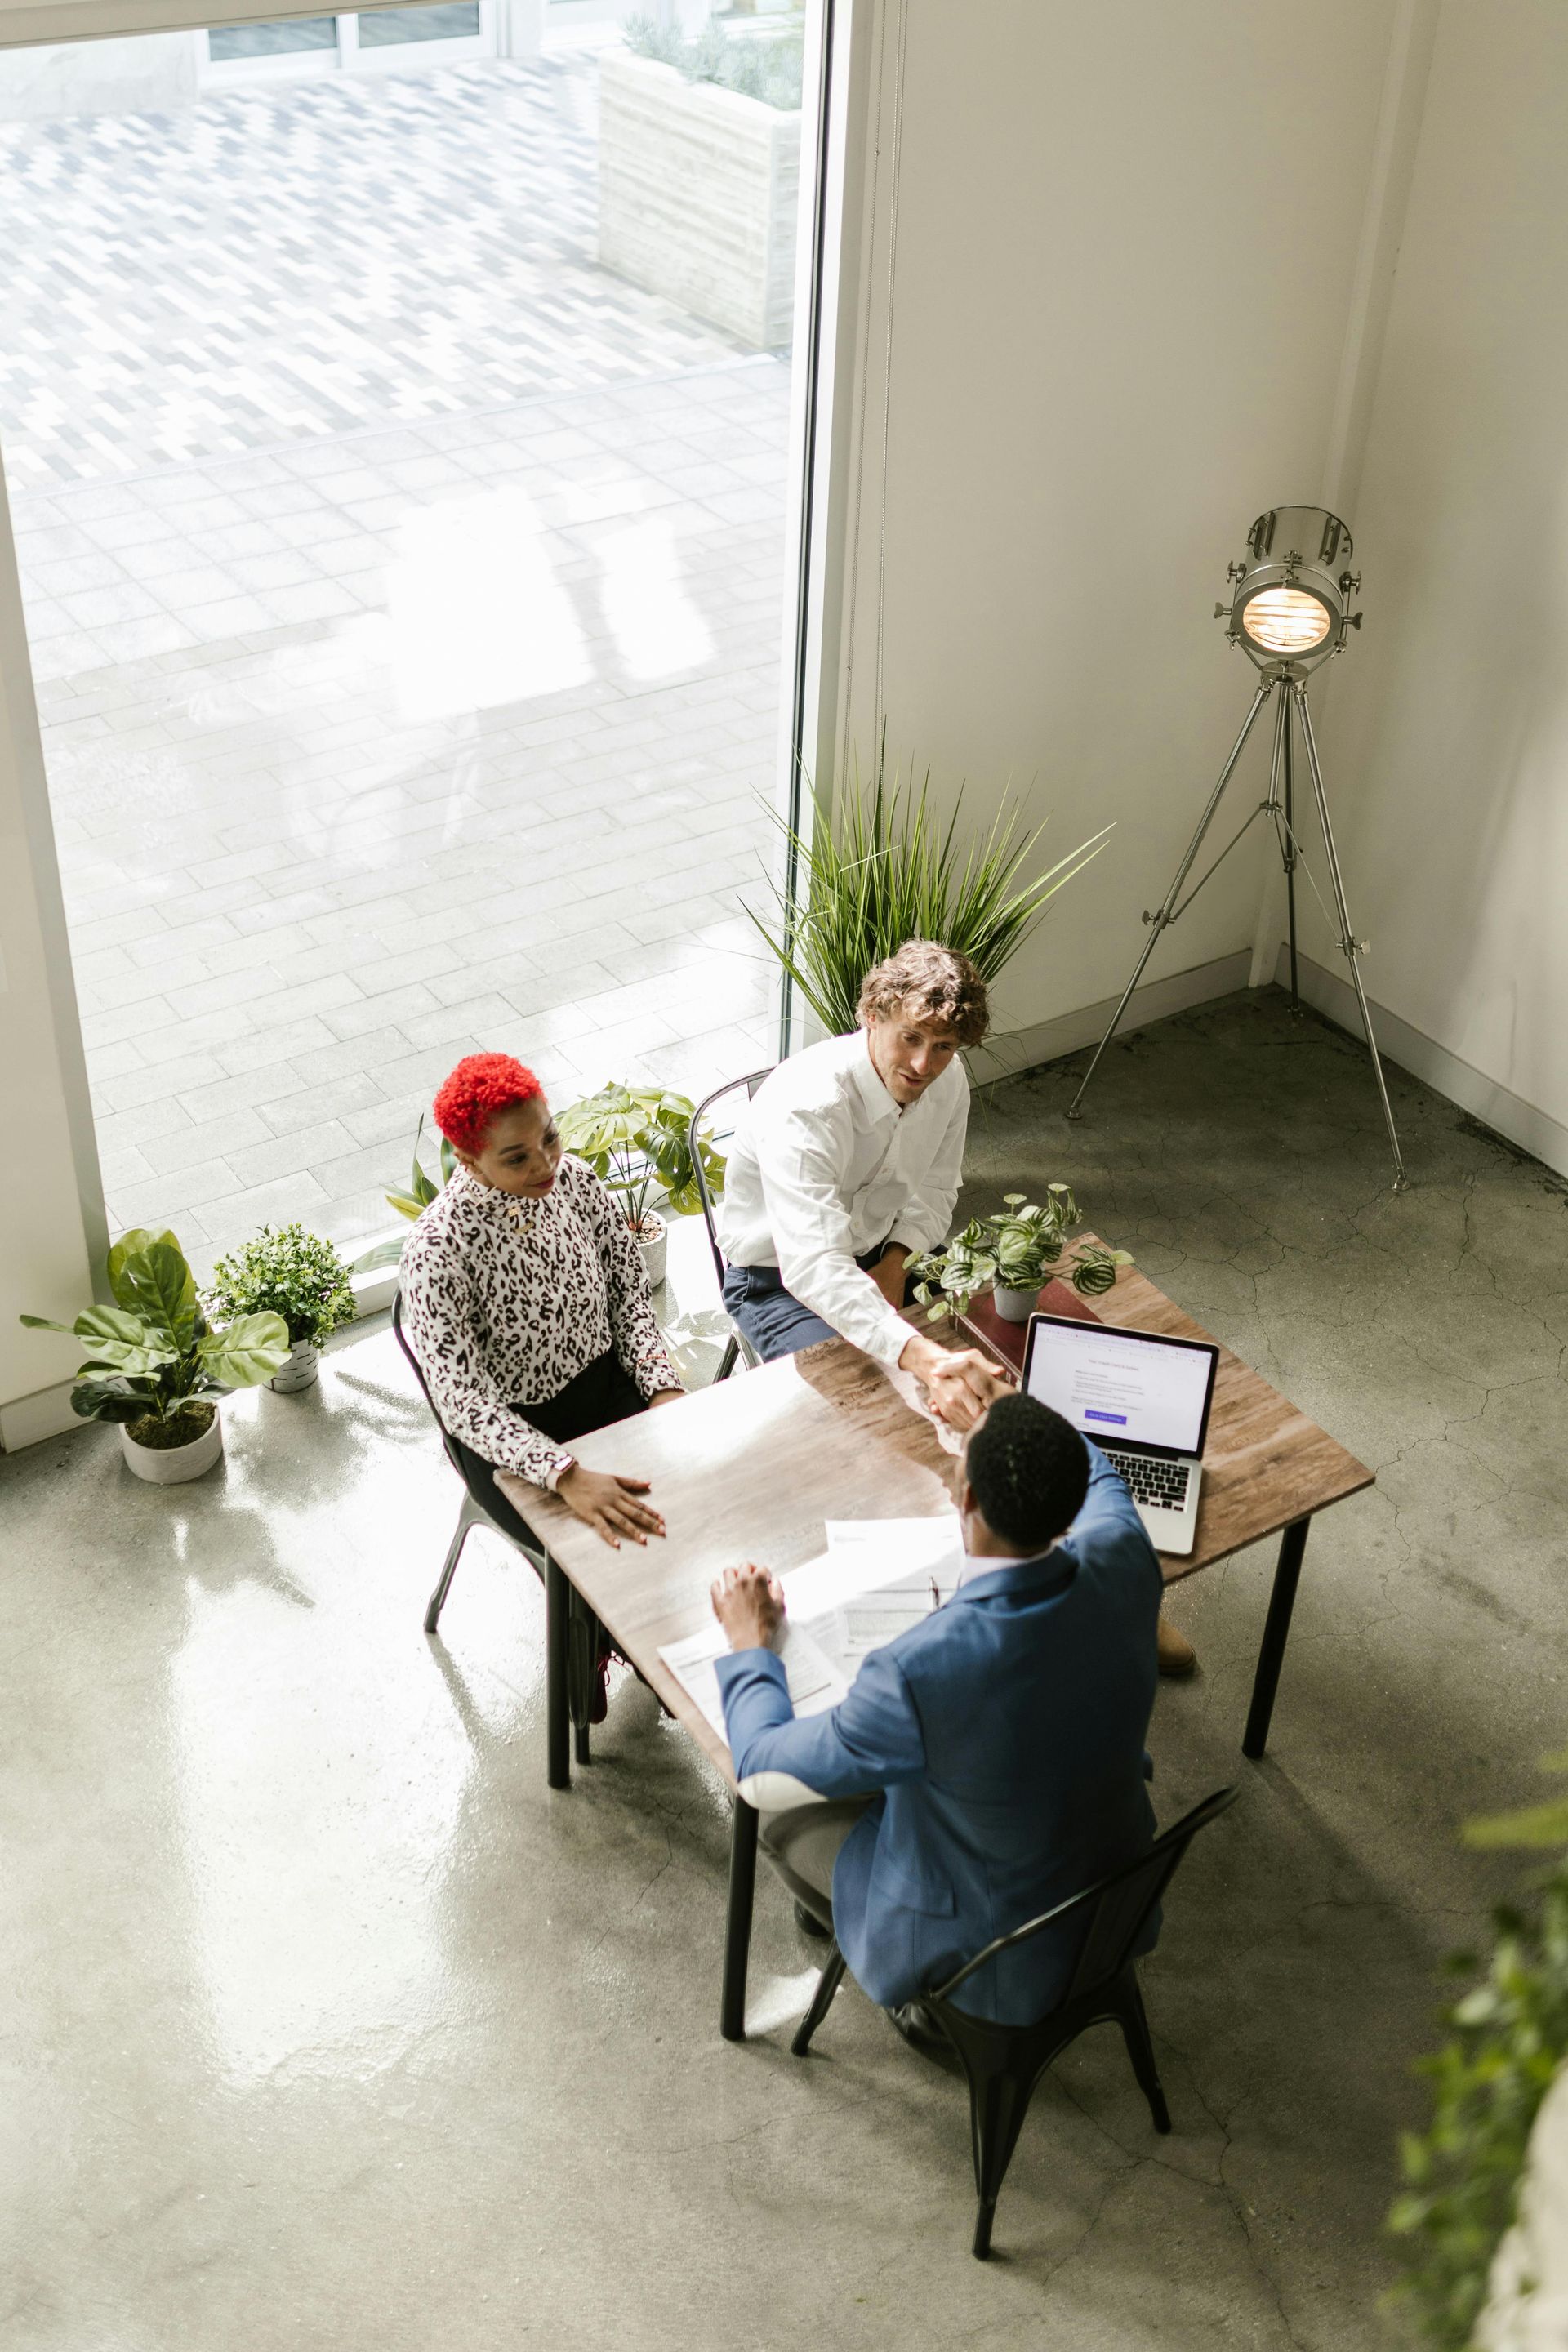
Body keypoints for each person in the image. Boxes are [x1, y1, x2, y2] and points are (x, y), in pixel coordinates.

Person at [709, 1392, 1163, 2029]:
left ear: (968, 1498)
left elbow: (758, 1767)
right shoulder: (1124, 1553)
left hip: (997, 1965)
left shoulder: (920, 1670)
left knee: (772, 1816)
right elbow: (1101, 1473)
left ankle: (930, 2009)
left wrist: (748, 1643)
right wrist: (1008, 1408)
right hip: (1115, 1891)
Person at [715, 938, 1006, 1435]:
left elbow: (937, 1190)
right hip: (777, 1281)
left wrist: (895, 1262)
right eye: (910, 1038)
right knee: (865, 1417)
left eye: (943, 1047)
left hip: (886, 1250)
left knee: (996, 1355)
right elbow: (814, 1264)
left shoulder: (948, 1078)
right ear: (872, 1014)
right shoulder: (806, 1108)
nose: (923, 1067)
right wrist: (922, 1357)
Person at [399, 1052, 684, 1558]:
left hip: (607, 1387)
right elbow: (463, 1401)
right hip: (510, 1442)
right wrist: (564, 1474)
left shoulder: (576, 1182)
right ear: (467, 1160)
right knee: (605, 1558)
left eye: (549, 1136)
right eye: (516, 1157)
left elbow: (629, 1299)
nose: (545, 1162)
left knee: (686, 1502)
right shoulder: (437, 1249)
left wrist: (660, 1386)